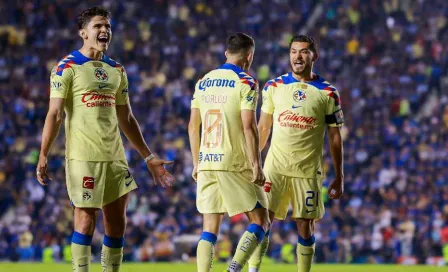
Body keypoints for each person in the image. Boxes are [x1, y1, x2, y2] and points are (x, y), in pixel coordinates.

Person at [36, 6, 174, 272]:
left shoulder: (116, 69)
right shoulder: (67, 67)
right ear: (83, 33)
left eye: (107, 26)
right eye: (98, 26)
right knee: (86, 219)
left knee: (116, 222)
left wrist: (148, 156)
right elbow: (54, 114)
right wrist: (44, 153)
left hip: (115, 157)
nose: (104, 31)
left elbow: (128, 118)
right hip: (83, 157)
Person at [248, 34, 345, 272]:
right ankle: (252, 270)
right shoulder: (274, 86)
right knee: (262, 221)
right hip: (275, 167)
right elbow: (263, 128)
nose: (298, 56)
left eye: (303, 51)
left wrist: (340, 176)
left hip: (308, 171)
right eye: (293, 51)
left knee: (305, 224)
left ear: (314, 56)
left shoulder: (329, 93)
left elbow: (335, 136)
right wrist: (254, 163)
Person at [188, 32, 270, 272]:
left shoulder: (203, 81)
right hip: (234, 160)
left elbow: (193, 126)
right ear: (249, 57)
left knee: (209, 228)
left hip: (206, 161)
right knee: (261, 220)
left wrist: (196, 162)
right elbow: (249, 126)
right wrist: (256, 164)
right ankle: (234, 269)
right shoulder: (246, 81)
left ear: (226, 53)